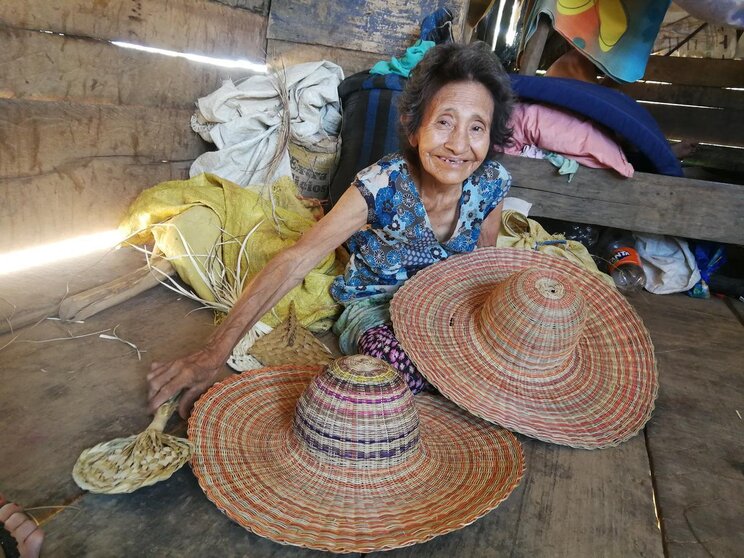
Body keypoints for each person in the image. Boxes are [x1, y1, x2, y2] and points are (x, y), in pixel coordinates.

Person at [148, 41, 515, 418]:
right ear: (413, 129)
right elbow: (297, 258)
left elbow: (485, 262)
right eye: (444, 121)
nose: (458, 144)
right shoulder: (382, 186)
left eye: (476, 127)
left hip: (442, 307)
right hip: (377, 306)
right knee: (400, 376)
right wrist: (213, 354)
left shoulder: (490, 183)